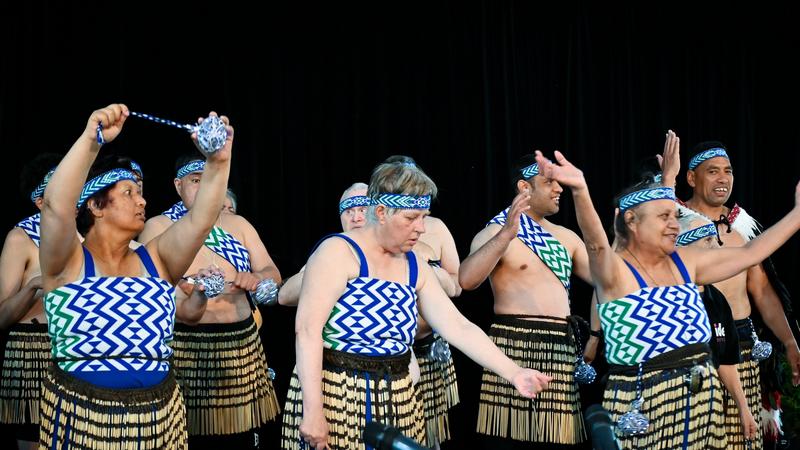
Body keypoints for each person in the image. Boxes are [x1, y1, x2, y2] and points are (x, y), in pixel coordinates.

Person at [534, 147, 800, 449]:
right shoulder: (616, 273)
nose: (675, 224)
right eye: (664, 217)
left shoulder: (687, 262)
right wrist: (580, 190)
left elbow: (752, 252)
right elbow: (595, 245)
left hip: (701, 407)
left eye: (675, 216)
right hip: (645, 409)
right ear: (631, 221)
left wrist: (797, 215)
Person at [281, 159, 552, 450]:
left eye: (424, 217)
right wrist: (313, 413)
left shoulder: (415, 266)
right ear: (382, 212)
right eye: (411, 218)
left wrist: (513, 372)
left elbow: (458, 326)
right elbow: (308, 331)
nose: (421, 228)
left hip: (399, 396)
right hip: (337, 394)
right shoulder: (338, 252)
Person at [38, 104, 232, 449]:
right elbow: (55, 205)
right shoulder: (67, 261)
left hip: (156, 423)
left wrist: (218, 161)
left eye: (141, 193)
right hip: (83, 422)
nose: (142, 201)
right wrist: (90, 140)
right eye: (129, 193)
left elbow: (202, 217)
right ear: (96, 206)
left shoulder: (156, 258)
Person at [138, 154, 281, 448]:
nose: (203, 188)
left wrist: (255, 279)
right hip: (186, 345)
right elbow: (152, 286)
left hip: (240, 347)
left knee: (240, 437)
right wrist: (192, 284)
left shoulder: (238, 224)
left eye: (209, 180)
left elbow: (272, 273)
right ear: (178, 186)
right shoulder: (158, 227)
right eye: (194, 181)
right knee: (188, 434)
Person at [459, 154, 593, 449]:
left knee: (559, 439)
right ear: (524, 187)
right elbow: (466, 280)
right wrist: (506, 235)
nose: (559, 189)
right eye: (549, 182)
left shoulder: (567, 237)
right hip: (513, 345)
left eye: (559, 183)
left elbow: (606, 280)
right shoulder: (496, 232)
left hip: (560, 346)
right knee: (511, 440)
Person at [674, 141, 800, 449]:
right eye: (712, 171)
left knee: (741, 440)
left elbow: (761, 290)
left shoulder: (742, 227)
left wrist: (789, 340)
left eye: (728, 171)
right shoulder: (671, 222)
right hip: (693, 346)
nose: (723, 179)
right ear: (691, 178)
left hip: (742, 346)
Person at [676, 209, 758, 443]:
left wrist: (743, 408)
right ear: (683, 248)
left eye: (716, 239)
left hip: (707, 410)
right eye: (708, 240)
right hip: (672, 408)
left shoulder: (718, 301)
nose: (717, 249)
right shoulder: (666, 296)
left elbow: (726, 362)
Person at [0, 153, 60, 450]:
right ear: (40, 201)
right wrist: (34, 286)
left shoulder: (85, 237)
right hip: (30, 352)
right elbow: (2, 315)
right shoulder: (20, 238)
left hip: (73, 349)